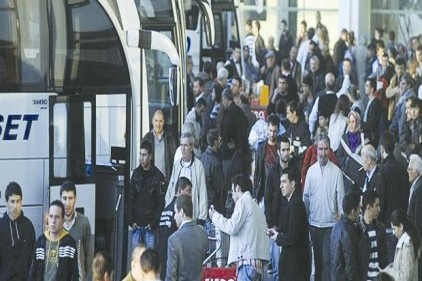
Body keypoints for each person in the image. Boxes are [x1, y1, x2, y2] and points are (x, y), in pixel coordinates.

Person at [209, 174, 270, 280]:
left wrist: (215, 216)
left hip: (247, 263)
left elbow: (231, 227)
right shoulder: (256, 207)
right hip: (258, 264)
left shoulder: (243, 202)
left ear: (238, 188)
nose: (232, 195)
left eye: (232, 191)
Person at [303, 133, 344, 281]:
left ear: (330, 150)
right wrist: (305, 223)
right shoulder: (311, 172)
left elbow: (341, 201)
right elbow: (306, 198)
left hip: (330, 226)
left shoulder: (336, 172)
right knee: (318, 263)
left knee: (327, 262)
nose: (323, 153)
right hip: (313, 224)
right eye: (320, 149)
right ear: (316, 149)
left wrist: (340, 222)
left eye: (326, 149)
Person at [264, 137, 301, 280]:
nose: (286, 153)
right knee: (277, 267)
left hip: (290, 226)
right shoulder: (273, 172)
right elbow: (267, 199)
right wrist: (271, 223)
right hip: (277, 225)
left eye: (288, 149)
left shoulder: (294, 171)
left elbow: (298, 197)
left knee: (288, 268)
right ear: (278, 152)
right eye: (283, 150)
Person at [267, 167, 310, 281]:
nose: (281, 186)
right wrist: (277, 232)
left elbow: (293, 237)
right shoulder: (292, 203)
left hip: (295, 269)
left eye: (284, 182)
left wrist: (277, 237)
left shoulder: (295, 204)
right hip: (293, 267)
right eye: (280, 182)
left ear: (293, 184)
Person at [128, 140, 166, 250]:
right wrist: (131, 221)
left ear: (150, 156)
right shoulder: (135, 174)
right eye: (140, 154)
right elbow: (130, 199)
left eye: (144, 155)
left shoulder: (158, 176)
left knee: (150, 261)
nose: (141, 158)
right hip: (137, 225)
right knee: (137, 260)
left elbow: (161, 203)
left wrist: (154, 223)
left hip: (150, 227)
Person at [378, 131, 409, 262]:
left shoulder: (383, 170)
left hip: (387, 225)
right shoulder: (403, 169)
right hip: (402, 224)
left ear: (382, 148)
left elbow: (381, 200)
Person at [165, 132, 208, 225]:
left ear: (192, 147)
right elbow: (171, 189)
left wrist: (202, 218)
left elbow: (202, 193)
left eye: (186, 145)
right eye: (181, 145)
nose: (183, 149)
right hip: (176, 216)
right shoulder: (177, 165)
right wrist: (167, 208)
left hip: (192, 216)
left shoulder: (198, 165)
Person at [30, 200, 78, 280]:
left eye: (57, 217)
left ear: (63, 220)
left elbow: (75, 275)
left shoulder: (70, 243)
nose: (53, 221)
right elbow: (33, 272)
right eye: (51, 216)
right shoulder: (40, 242)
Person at [166, 195, 208, 281]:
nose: (174, 217)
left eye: (175, 212)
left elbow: (171, 276)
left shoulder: (173, 239)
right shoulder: (203, 234)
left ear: (181, 212)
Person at [158, 177, 192, 280]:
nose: (190, 195)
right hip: (173, 258)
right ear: (180, 190)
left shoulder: (166, 209)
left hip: (163, 255)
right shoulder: (178, 211)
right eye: (188, 191)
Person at [0, 181, 36, 281]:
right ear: (6, 202)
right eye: (12, 201)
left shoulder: (28, 226)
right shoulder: (1, 227)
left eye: (18, 201)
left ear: (22, 202)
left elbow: (33, 257)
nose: (15, 206)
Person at [59, 181, 94, 281]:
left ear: (75, 199)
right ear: (60, 199)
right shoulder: (55, 224)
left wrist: (87, 279)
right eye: (64, 198)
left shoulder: (84, 222)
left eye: (70, 198)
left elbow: (89, 256)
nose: (67, 203)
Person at [380, 209, 420, 281]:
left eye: (394, 229)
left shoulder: (407, 246)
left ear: (401, 226)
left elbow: (404, 277)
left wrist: (390, 271)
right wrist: (392, 266)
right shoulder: (404, 242)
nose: (393, 233)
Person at [330, 191, 361, 281]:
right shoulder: (348, 232)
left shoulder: (336, 227)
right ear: (353, 211)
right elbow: (351, 264)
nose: (360, 211)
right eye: (359, 208)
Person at [359, 190, 389, 281]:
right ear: (368, 207)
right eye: (377, 205)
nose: (379, 209)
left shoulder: (380, 228)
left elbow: (384, 258)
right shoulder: (358, 230)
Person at [142, 110, 177, 181]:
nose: (158, 124)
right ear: (152, 121)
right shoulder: (146, 139)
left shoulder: (170, 138)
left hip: (166, 181)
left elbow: (175, 160)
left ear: (163, 122)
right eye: (156, 120)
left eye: (160, 121)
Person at [254, 114, 280, 204]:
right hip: (263, 191)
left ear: (278, 130)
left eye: (275, 131)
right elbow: (257, 173)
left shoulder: (281, 147)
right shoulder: (261, 148)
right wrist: (255, 194)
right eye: (270, 131)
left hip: (278, 190)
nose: (272, 134)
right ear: (267, 129)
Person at [200, 128, 224, 211]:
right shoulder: (215, 162)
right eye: (219, 139)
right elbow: (219, 186)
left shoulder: (202, 157)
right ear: (215, 142)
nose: (221, 141)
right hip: (214, 203)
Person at [406, 154, 422, 280]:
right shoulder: (416, 185)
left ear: (416, 171)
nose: (408, 172)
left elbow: (418, 218)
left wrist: (416, 242)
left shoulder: (419, 188)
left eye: (410, 169)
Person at [362, 78, 382, 147]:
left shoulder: (376, 103)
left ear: (372, 89)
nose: (365, 87)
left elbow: (372, 124)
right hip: (365, 133)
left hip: (371, 136)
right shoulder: (367, 101)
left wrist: (360, 125)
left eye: (367, 86)